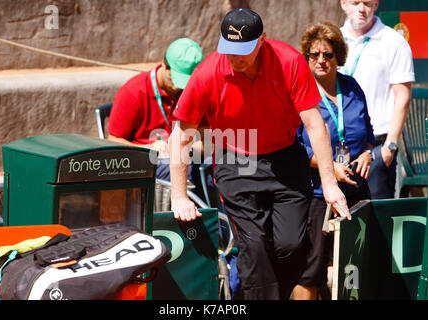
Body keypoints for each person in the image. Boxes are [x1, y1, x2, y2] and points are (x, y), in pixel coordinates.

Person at [168, 8, 351, 300]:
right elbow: (181, 133)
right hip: (234, 161)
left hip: (285, 159)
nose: (235, 57)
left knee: (290, 245)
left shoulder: (289, 61)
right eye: (229, 49)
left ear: (262, 40)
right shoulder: (207, 72)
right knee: (254, 249)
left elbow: (315, 125)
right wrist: (179, 195)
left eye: (243, 50)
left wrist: (329, 184)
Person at [293, 21, 375, 300]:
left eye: (328, 54)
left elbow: (368, 130)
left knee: (358, 263)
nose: (321, 60)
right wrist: (328, 167)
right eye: (314, 55)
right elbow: (294, 146)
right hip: (316, 194)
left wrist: (368, 152)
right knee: (312, 269)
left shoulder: (352, 87)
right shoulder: (299, 91)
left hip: (355, 189)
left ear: (338, 56)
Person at [339, 0, 415, 199]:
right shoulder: (334, 41)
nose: (361, 9)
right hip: (339, 147)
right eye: (355, 2)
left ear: (376, 4)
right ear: (343, 4)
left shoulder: (393, 41)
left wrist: (390, 146)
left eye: (367, 3)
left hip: (377, 148)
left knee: (378, 221)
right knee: (339, 223)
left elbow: (403, 97)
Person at [107, 37, 204, 182]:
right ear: (165, 65)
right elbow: (113, 140)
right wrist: (147, 149)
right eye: (177, 80)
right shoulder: (133, 91)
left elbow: (207, 132)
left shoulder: (194, 89)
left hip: (187, 155)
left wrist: (193, 147)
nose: (181, 88)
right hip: (149, 162)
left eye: (187, 81)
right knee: (188, 172)